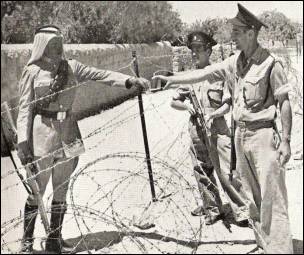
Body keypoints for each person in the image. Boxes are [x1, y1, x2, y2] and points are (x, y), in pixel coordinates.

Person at [153, 3, 293, 254]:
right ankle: (266, 245)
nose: (233, 38)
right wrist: (170, 79)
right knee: (252, 198)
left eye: (237, 33)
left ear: (251, 33)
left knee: (273, 198)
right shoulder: (233, 63)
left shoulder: (271, 64)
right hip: (240, 136)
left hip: (262, 136)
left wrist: (286, 141)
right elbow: (203, 74)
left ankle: (281, 250)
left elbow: (284, 103)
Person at [16, 25, 149, 253]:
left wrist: (129, 81)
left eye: (59, 43)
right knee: (37, 190)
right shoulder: (32, 71)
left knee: (62, 189)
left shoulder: (72, 67)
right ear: (42, 45)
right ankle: (27, 242)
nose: (58, 48)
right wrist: (22, 143)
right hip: (41, 137)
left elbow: (102, 75)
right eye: (52, 44)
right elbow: (24, 110)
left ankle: (54, 240)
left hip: (68, 134)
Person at [170, 31, 249, 226]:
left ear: (208, 51)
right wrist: (186, 106)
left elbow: (228, 104)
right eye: (192, 51)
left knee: (228, 172)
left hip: (218, 129)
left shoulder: (220, 74)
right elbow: (174, 102)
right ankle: (213, 209)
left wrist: (213, 114)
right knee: (202, 171)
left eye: (198, 50)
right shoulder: (190, 77)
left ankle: (241, 210)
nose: (194, 54)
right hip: (197, 130)